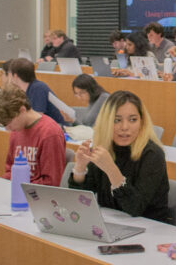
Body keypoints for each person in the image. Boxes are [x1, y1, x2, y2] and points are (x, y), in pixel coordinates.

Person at [68, 91, 170, 222]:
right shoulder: (104, 147)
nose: (125, 127)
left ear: (142, 122)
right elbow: (81, 202)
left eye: (133, 120)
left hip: (149, 228)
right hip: (113, 223)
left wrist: (111, 169)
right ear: (106, 122)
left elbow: (135, 208)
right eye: (117, 120)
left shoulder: (153, 154)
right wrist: (80, 168)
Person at [0, 88, 66, 185]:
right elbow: (10, 171)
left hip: (37, 195)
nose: (8, 129)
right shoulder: (16, 130)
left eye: (9, 123)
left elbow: (52, 182)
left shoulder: (50, 133)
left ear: (22, 110)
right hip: (18, 190)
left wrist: (19, 186)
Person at [1, 58, 65, 125]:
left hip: (57, 129)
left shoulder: (38, 88)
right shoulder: (24, 90)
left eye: (9, 73)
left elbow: (36, 119)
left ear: (15, 76)